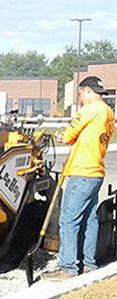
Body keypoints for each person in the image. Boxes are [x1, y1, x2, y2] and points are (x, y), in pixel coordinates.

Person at [46, 76, 115, 280]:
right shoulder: (108, 112)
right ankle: (89, 264)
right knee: (89, 219)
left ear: (86, 90)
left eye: (80, 94)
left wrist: (62, 137)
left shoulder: (90, 109)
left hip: (81, 172)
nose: (80, 98)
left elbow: (68, 136)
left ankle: (68, 267)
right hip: (95, 172)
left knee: (68, 221)